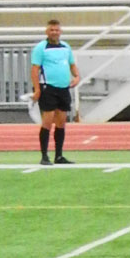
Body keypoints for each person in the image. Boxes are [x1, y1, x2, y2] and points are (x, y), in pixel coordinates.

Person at [30, 17, 79, 164]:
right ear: (47, 31)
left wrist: (77, 76)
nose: (54, 32)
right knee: (47, 121)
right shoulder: (41, 48)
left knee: (61, 122)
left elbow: (72, 65)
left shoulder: (66, 47)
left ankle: (59, 155)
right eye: (51, 30)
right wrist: (37, 89)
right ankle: (44, 156)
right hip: (48, 88)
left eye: (56, 30)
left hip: (63, 88)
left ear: (60, 31)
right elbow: (34, 70)